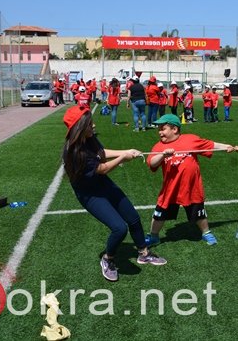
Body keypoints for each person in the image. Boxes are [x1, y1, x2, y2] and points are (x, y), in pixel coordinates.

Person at [62, 105, 166, 282]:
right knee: (119, 228)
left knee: (133, 217)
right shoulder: (74, 152)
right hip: (90, 194)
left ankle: (143, 253)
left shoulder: (89, 139)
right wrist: (122, 158)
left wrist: (126, 151)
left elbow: (101, 153)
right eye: (89, 125)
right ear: (79, 128)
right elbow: (101, 168)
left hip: (103, 184)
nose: (93, 126)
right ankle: (108, 259)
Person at [145, 114, 235, 246]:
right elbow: (152, 163)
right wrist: (163, 155)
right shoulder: (158, 146)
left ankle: (206, 232)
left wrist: (226, 146)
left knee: (199, 212)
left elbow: (210, 145)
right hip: (171, 188)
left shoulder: (191, 140)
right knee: (160, 213)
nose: (160, 132)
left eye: (163, 128)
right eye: (159, 129)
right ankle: (153, 236)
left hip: (191, 187)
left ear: (174, 129)